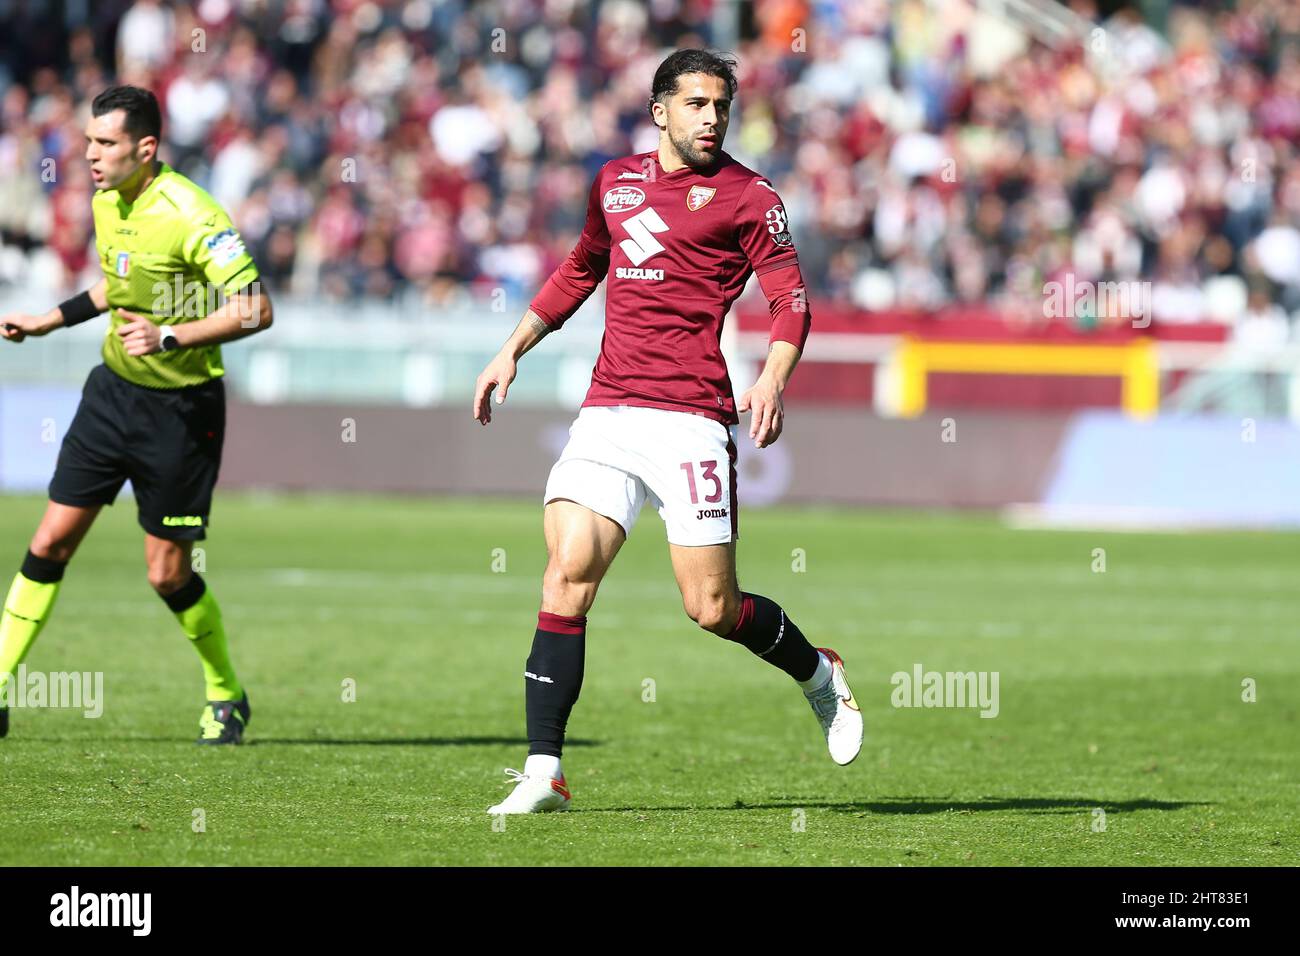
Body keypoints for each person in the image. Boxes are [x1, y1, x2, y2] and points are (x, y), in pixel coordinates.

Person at [472, 50, 862, 813]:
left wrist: (771, 379)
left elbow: (792, 301)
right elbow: (581, 268)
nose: (712, 117)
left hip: (690, 420)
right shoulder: (614, 183)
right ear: (660, 112)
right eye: (695, 104)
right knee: (566, 571)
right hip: (609, 411)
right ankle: (543, 771)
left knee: (711, 609)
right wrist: (509, 349)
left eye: (721, 105)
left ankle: (818, 672)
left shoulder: (750, 196)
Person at [0, 86, 273, 743]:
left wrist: (171, 337)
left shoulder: (193, 214)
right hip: (112, 394)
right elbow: (120, 285)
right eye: (90, 141)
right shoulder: (104, 201)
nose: (90, 155)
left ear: (145, 149)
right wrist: (49, 319)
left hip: (181, 412)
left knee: (166, 573)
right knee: (49, 541)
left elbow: (256, 307)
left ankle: (225, 691)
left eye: (106, 144)